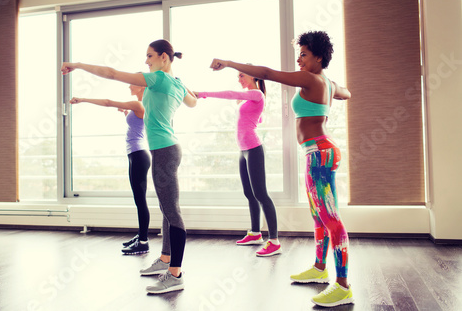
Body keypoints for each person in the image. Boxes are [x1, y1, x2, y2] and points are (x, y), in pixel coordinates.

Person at [209, 31, 353, 307]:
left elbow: (267, 72)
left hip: (319, 152)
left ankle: (343, 285)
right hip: (320, 151)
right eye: (298, 54)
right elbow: (347, 92)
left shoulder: (311, 78)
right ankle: (320, 268)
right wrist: (336, 90)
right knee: (319, 215)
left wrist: (229, 62)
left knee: (331, 218)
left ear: (319, 57)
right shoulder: (326, 82)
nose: (299, 59)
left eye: (304, 54)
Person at [62, 39, 197, 295]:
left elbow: (111, 74)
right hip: (167, 148)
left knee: (172, 210)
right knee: (166, 208)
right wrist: (180, 82)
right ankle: (166, 259)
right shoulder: (175, 83)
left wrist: (77, 64)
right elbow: (193, 102)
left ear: (164, 58)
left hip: (165, 151)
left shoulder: (157, 78)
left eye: (150, 56)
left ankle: (175, 274)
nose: (146, 61)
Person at [194, 71, 281, 257]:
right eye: (238, 76)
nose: (239, 79)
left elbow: (231, 94)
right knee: (249, 193)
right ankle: (256, 233)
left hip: (254, 149)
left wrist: (203, 93)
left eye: (242, 76)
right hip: (243, 150)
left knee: (261, 194)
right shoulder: (251, 99)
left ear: (253, 77)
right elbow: (257, 119)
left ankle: (274, 241)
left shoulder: (257, 94)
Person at [69, 83, 151, 255]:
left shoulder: (139, 104)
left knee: (140, 199)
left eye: (132, 85)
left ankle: (143, 241)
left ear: (141, 87)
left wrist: (83, 99)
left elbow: (108, 102)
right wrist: (126, 114)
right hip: (136, 154)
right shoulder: (139, 107)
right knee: (138, 199)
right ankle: (141, 236)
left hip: (138, 155)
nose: (129, 86)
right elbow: (138, 125)